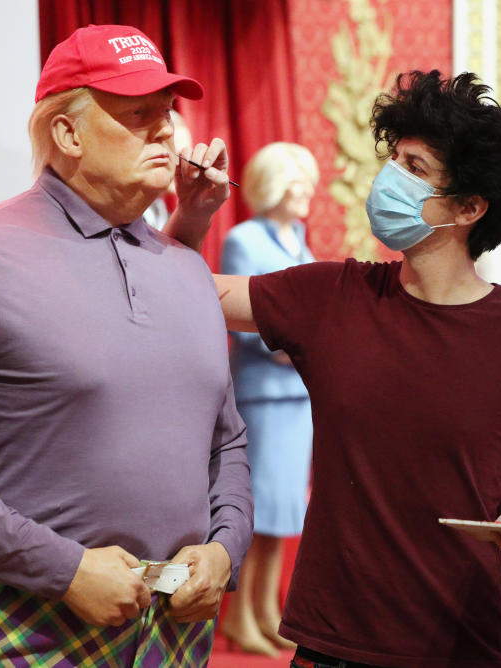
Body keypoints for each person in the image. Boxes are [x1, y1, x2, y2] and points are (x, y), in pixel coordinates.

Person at [166, 70, 501, 668]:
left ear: (469, 206)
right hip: (332, 643)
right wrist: (195, 214)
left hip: (463, 645)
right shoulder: (333, 295)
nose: (390, 178)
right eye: (394, 159)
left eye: (415, 168)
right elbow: (177, 295)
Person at [0, 24, 251, 667]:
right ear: (68, 134)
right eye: (138, 115)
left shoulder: (187, 266)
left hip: (174, 637)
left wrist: (225, 549)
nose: (166, 131)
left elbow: (227, 442)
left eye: (166, 114)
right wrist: (66, 569)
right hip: (31, 625)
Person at [217, 143, 319, 656]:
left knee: (284, 514)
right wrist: (292, 345)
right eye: (296, 181)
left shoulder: (299, 240)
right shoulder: (243, 240)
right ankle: (239, 615)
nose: (306, 191)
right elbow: (239, 315)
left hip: (299, 398)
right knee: (257, 515)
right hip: (263, 397)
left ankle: (269, 611)